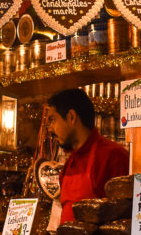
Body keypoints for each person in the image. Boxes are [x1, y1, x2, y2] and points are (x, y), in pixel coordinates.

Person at [46, 88, 129, 224]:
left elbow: (123, 221)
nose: (50, 128)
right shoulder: (70, 162)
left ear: (71, 117)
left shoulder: (112, 156)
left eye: (53, 120)